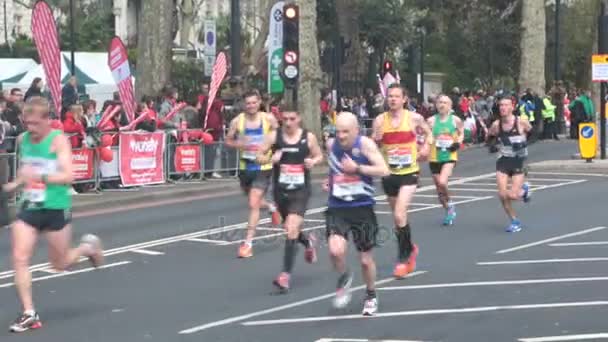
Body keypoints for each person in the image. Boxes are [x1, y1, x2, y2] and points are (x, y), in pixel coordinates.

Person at [1, 98, 104, 333]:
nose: (30, 128)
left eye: (36, 123)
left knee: (59, 264)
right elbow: (23, 173)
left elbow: (69, 175)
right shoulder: (22, 140)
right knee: (19, 257)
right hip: (30, 207)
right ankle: (29, 313)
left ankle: (87, 248)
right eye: (27, 123)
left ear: (48, 120)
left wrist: (40, 177)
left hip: (56, 205)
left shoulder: (58, 140)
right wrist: (9, 188)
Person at [325, 112, 389, 316]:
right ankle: (345, 276)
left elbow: (384, 170)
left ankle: (371, 294)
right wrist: (332, 181)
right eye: (338, 131)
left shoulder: (365, 145)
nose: (341, 136)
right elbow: (335, 169)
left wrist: (358, 168)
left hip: (362, 208)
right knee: (335, 250)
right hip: (338, 207)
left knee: (365, 260)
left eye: (345, 132)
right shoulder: (330, 145)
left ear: (356, 130)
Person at [255, 107, 324, 292]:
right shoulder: (273, 136)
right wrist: (271, 158)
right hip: (281, 191)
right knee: (289, 228)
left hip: (301, 191)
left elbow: (319, 155)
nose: (288, 122)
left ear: (298, 118)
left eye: (292, 118)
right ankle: (308, 242)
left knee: (291, 228)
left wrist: (313, 162)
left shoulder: (307, 137)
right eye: (284, 118)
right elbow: (258, 156)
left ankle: (285, 275)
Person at [372, 84, 432, 279]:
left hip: (409, 173)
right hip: (389, 174)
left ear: (404, 99)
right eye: (390, 96)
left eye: (397, 96)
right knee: (399, 221)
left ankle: (403, 259)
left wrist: (425, 148)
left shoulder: (414, 118)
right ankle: (410, 248)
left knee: (399, 214)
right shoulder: (380, 120)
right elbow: (374, 144)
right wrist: (376, 139)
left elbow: (429, 133)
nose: (392, 100)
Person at [225, 90, 280, 258]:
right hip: (245, 167)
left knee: (253, 203)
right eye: (248, 103)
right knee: (254, 199)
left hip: (263, 167)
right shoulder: (237, 121)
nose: (251, 106)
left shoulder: (268, 118)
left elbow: (279, 136)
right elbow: (228, 140)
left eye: (254, 103)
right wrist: (239, 144)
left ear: (259, 102)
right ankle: (272, 207)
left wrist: (275, 152)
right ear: (244, 104)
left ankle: (247, 244)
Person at [486, 96, 532, 233]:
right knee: (502, 195)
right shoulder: (496, 124)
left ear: (512, 107)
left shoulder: (521, 122)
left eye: (506, 105)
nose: (503, 108)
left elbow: (534, 133)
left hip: (519, 160)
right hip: (503, 160)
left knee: (512, 195)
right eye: (501, 105)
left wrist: (523, 143)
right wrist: (492, 145)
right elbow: (489, 138)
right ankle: (514, 221)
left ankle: (524, 190)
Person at [427, 95, 464, 226]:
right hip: (434, 157)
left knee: (442, 182)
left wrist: (458, 143)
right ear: (436, 105)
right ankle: (448, 210)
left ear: (450, 106)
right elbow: (426, 135)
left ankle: (451, 203)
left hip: (449, 156)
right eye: (440, 102)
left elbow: (462, 133)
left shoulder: (455, 120)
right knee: (439, 189)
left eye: (445, 103)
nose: (442, 105)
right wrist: (427, 141)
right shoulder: (430, 121)